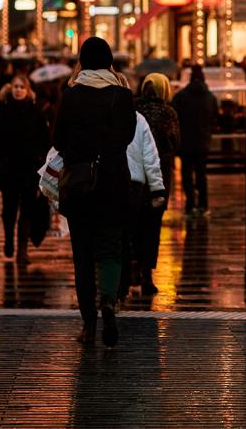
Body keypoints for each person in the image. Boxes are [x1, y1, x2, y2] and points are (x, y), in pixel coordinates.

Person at [52, 37, 137, 346]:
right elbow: (128, 136)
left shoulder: (70, 96)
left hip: (80, 185)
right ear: (109, 60)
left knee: (83, 255)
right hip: (114, 183)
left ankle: (89, 325)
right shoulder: (123, 96)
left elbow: (58, 138)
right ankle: (109, 303)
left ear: (83, 61)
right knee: (111, 249)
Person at [0, 74, 48, 264]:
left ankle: (22, 250)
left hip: (30, 169)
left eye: (22, 87)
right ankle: (9, 240)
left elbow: (44, 142)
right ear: (11, 89)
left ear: (28, 91)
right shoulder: (2, 111)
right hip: (8, 168)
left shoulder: (36, 112)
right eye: (16, 87)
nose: (18, 90)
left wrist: (44, 166)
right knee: (9, 209)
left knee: (27, 209)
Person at [135, 73, 179, 293]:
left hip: (134, 174)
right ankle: (146, 274)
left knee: (133, 222)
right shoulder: (168, 112)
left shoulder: (133, 109)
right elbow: (174, 142)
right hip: (159, 174)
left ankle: (131, 268)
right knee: (152, 225)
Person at [122, 112, 167, 298]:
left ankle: (118, 284)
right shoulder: (137, 118)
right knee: (132, 230)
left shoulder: (99, 112)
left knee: (115, 234)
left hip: (107, 182)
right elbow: (150, 155)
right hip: (134, 182)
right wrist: (157, 187)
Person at [172, 64, 217, 215]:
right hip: (203, 142)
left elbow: (174, 117)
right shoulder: (210, 97)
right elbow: (214, 118)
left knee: (187, 175)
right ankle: (203, 205)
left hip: (185, 143)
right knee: (201, 174)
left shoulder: (181, 96)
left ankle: (190, 204)